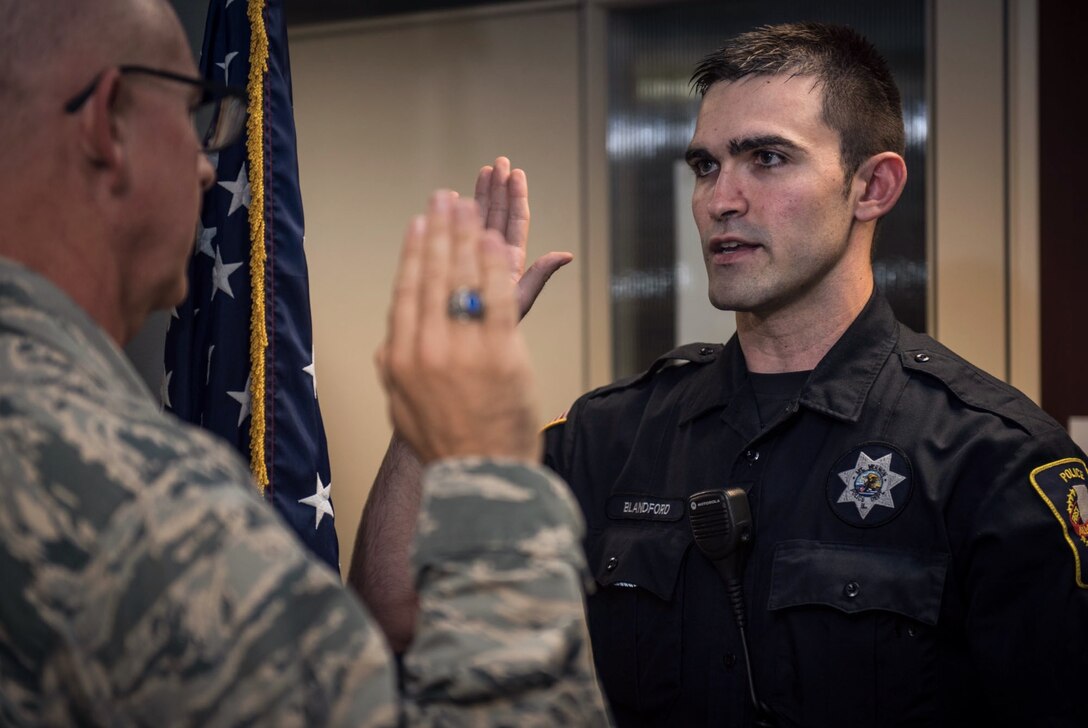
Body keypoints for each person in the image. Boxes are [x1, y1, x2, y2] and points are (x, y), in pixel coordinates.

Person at [355, 21, 1088, 727]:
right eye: (705, 166)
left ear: (872, 187)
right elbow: (395, 619)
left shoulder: (990, 458)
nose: (719, 200)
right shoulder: (611, 436)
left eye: (766, 158)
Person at [0, 0, 610, 724]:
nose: (207, 166)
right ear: (109, 123)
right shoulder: (146, 511)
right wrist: (484, 451)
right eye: (196, 115)